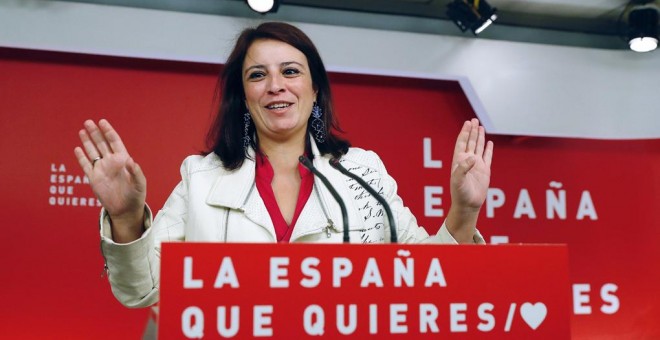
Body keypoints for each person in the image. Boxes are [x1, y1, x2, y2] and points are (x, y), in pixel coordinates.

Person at [74, 22, 494, 308]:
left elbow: (428, 280)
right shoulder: (200, 178)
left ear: (314, 89)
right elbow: (142, 290)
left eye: (290, 71)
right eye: (258, 75)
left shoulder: (365, 172)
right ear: (244, 95)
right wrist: (126, 218)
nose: (275, 85)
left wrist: (465, 211)